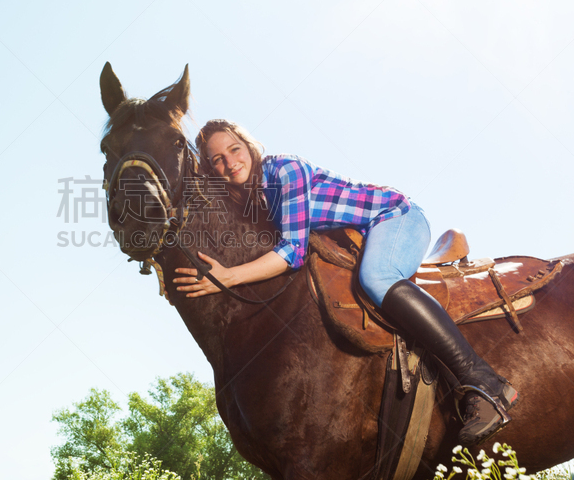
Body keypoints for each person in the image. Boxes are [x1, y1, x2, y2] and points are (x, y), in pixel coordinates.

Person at [173, 118, 519, 446]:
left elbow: (292, 250)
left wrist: (229, 276)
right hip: (365, 234)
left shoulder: (283, 171)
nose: (229, 162)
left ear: (248, 146)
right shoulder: (253, 200)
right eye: (216, 160)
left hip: (393, 216)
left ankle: (483, 381)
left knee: (376, 277)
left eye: (234, 149)